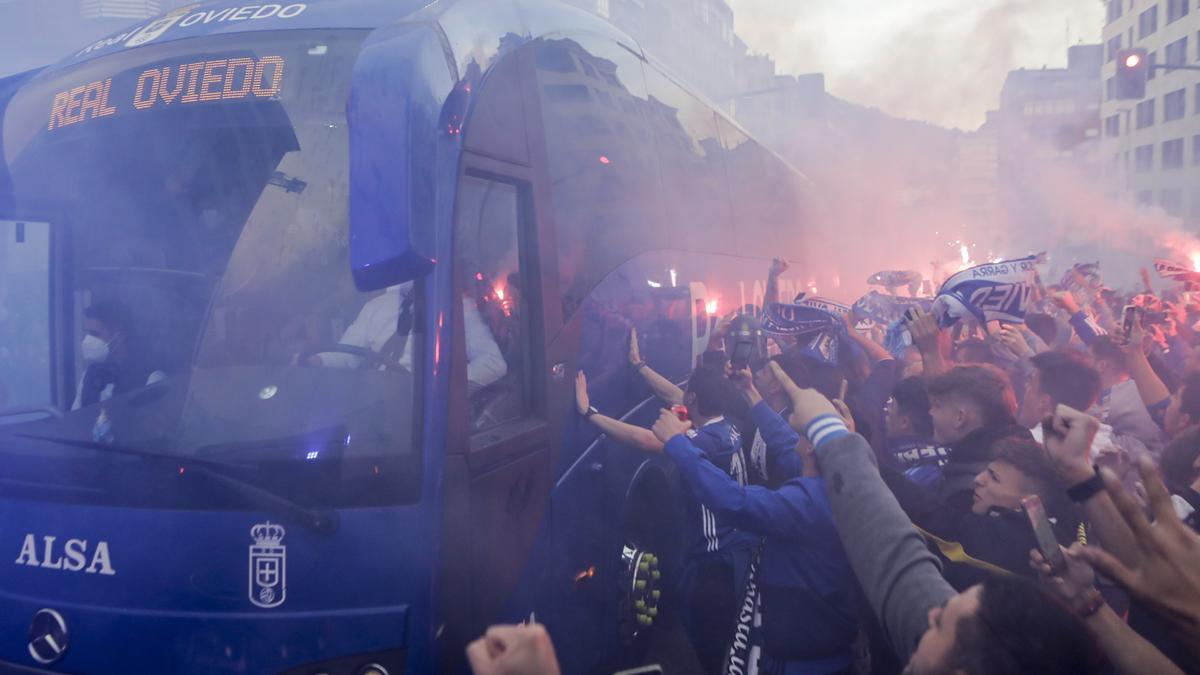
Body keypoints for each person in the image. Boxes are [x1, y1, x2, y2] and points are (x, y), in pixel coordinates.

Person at [773, 373, 1102, 674]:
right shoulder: (1063, 521)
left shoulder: (1018, 550)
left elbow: (911, 542)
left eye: (942, 623)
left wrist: (835, 438)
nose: (978, 480)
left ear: (1029, 504)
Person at [650, 388, 862, 674]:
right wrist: (751, 391)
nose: (790, 433)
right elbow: (784, 443)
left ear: (811, 447)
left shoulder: (809, 504)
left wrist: (677, 443)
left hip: (804, 662)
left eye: (800, 431)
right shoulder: (843, 485)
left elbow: (732, 501)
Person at [576, 365, 753, 673]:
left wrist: (589, 412)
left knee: (714, 650)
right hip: (737, 554)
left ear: (694, 398)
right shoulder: (730, 427)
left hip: (716, 569)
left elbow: (644, 439)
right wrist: (640, 365)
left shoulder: (704, 442)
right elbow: (676, 394)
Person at [316, 281, 507, 393]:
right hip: (375, 408)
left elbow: (492, 362)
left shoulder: (458, 307)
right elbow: (345, 355)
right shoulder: (375, 307)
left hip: (430, 425)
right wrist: (316, 360)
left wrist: (439, 391)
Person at [925, 364, 1029, 511]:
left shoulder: (969, 494)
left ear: (960, 418)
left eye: (937, 406)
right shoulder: (1019, 454)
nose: (931, 412)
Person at [72, 299, 165, 410]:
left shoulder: (153, 378)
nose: (87, 340)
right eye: (87, 333)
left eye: (95, 334)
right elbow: (75, 422)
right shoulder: (89, 374)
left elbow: (149, 424)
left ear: (119, 337)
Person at [880, 376, 949, 488]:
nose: (886, 412)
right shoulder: (943, 459)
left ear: (904, 422)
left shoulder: (917, 479)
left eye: (891, 406)